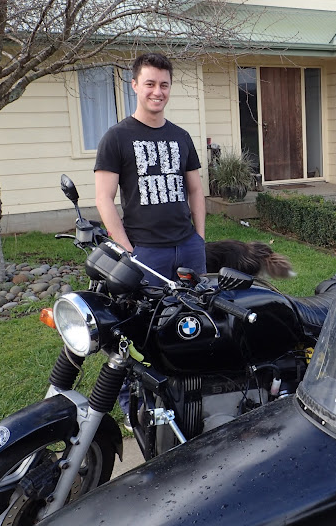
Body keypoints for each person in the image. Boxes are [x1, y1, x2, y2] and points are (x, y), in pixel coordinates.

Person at [94, 52, 206, 427]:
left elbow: (195, 190)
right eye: (150, 84)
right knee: (133, 331)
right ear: (135, 86)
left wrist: (200, 237)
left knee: (192, 321)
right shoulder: (117, 137)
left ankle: (189, 395)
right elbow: (103, 199)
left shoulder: (180, 137)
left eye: (164, 85)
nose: (157, 91)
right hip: (145, 253)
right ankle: (133, 408)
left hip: (187, 246)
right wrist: (127, 250)